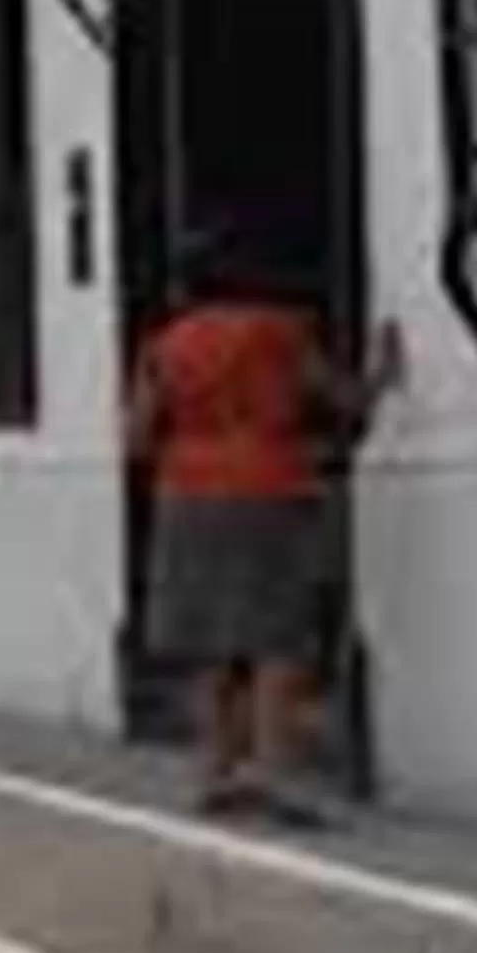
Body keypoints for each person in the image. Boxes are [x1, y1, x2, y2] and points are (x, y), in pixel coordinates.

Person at [127, 229, 401, 826]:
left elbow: (136, 436)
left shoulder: (165, 345)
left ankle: (215, 774)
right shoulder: (278, 331)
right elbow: (342, 399)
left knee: (212, 640)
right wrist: (380, 375)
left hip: (186, 494)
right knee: (277, 637)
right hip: (267, 487)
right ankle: (277, 776)